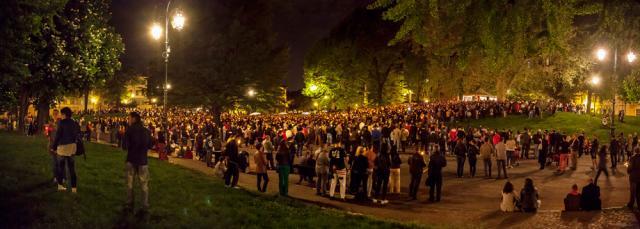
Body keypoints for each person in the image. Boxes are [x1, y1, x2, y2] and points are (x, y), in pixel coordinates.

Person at [122, 112, 153, 212]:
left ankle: (129, 203)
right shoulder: (147, 131)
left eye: (129, 118)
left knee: (129, 183)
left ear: (134, 119)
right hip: (143, 160)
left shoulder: (129, 130)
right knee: (144, 184)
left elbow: (124, 146)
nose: (128, 120)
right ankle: (144, 205)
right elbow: (150, 145)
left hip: (131, 159)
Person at [51, 107, 80, 193]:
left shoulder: (62, 123)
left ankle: (60, 186)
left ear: (64, 114)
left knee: (61, 167)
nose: (61, 115)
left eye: (61, 114)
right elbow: (77, 134)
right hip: (72, 147)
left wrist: (54, 147)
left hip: (62, 147)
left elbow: (58, 136)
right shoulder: (75, 123)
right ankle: (74, 188)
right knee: (72, 168)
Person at [47, 109, 62, 184]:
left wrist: (55, 127)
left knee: (59, 162)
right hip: (52, 144)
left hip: (59, 145)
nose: (55, 115)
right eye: (54, 114)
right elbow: (49, 132)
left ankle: (61, 178)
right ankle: (55, 177)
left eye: (56, 113)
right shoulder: (51, 122)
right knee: (54, 163)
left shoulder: (60, 121)